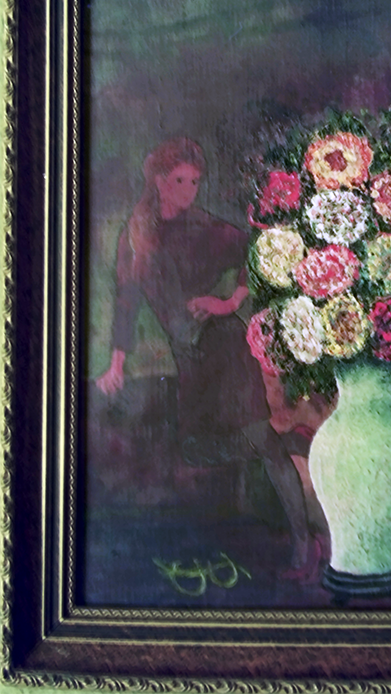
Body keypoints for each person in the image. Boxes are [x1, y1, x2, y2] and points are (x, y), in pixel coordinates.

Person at [96, 137, 318, 578]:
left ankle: (303, 543)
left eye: (195, 181)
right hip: (189, 356)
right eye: (181, 180)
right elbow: (127, 300)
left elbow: (256, 252)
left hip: (226, 347)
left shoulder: (204, 227)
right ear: (160, 181)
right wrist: (117, 363)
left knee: (258, 438)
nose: (190, 190)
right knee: (196, 450)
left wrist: (231, 301)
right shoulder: (136, 233)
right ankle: (289, 444)